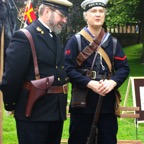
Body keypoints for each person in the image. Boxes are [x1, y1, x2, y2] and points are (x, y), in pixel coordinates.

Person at [0, 0, 73, 144]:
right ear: (47, 12)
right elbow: (12, 77)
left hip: (55, 112)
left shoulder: (54, 37)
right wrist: (10, 104)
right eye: (61, 15)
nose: (64, 20)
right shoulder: (25, 36)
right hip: (33, 112)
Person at [64, 0, 130, 144]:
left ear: (105, 15)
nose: (98, 14)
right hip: (82, 103)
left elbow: (124, 67)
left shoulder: (112, 42)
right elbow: (68, 69)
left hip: (107, 103)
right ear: (85, 16)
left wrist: (113, 82)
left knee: (108, 139)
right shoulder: (75, 41)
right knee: (78, 140)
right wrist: (89, 83)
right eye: (93, 12)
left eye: (101, 11)